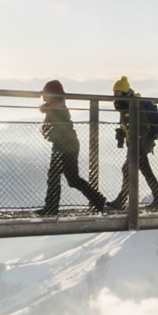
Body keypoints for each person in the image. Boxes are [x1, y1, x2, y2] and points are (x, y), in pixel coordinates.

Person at [37, 79, 108, 215]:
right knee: (70, 179)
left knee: (59, 177)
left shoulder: (56, 109)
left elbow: (56, 130)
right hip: (66, 146)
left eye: (45, 93)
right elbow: (53, 129)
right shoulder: (56, 107)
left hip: (65, 147)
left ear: (51, 94)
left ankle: (51, 208)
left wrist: (47, 134)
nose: (43, 96)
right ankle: (98, 199)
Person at [106, 75, 158, 211]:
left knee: (135, 170)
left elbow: (142, 124)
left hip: (139, 143)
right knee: (138, 170)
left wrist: (137, 137)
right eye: (114, 92)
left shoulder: (134, 103)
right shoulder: (125, 104)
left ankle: (123, 201)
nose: (114, 95)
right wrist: (122, 132)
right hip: (135, 142)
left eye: (117, 92)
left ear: (123, 92)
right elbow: (129, 124)